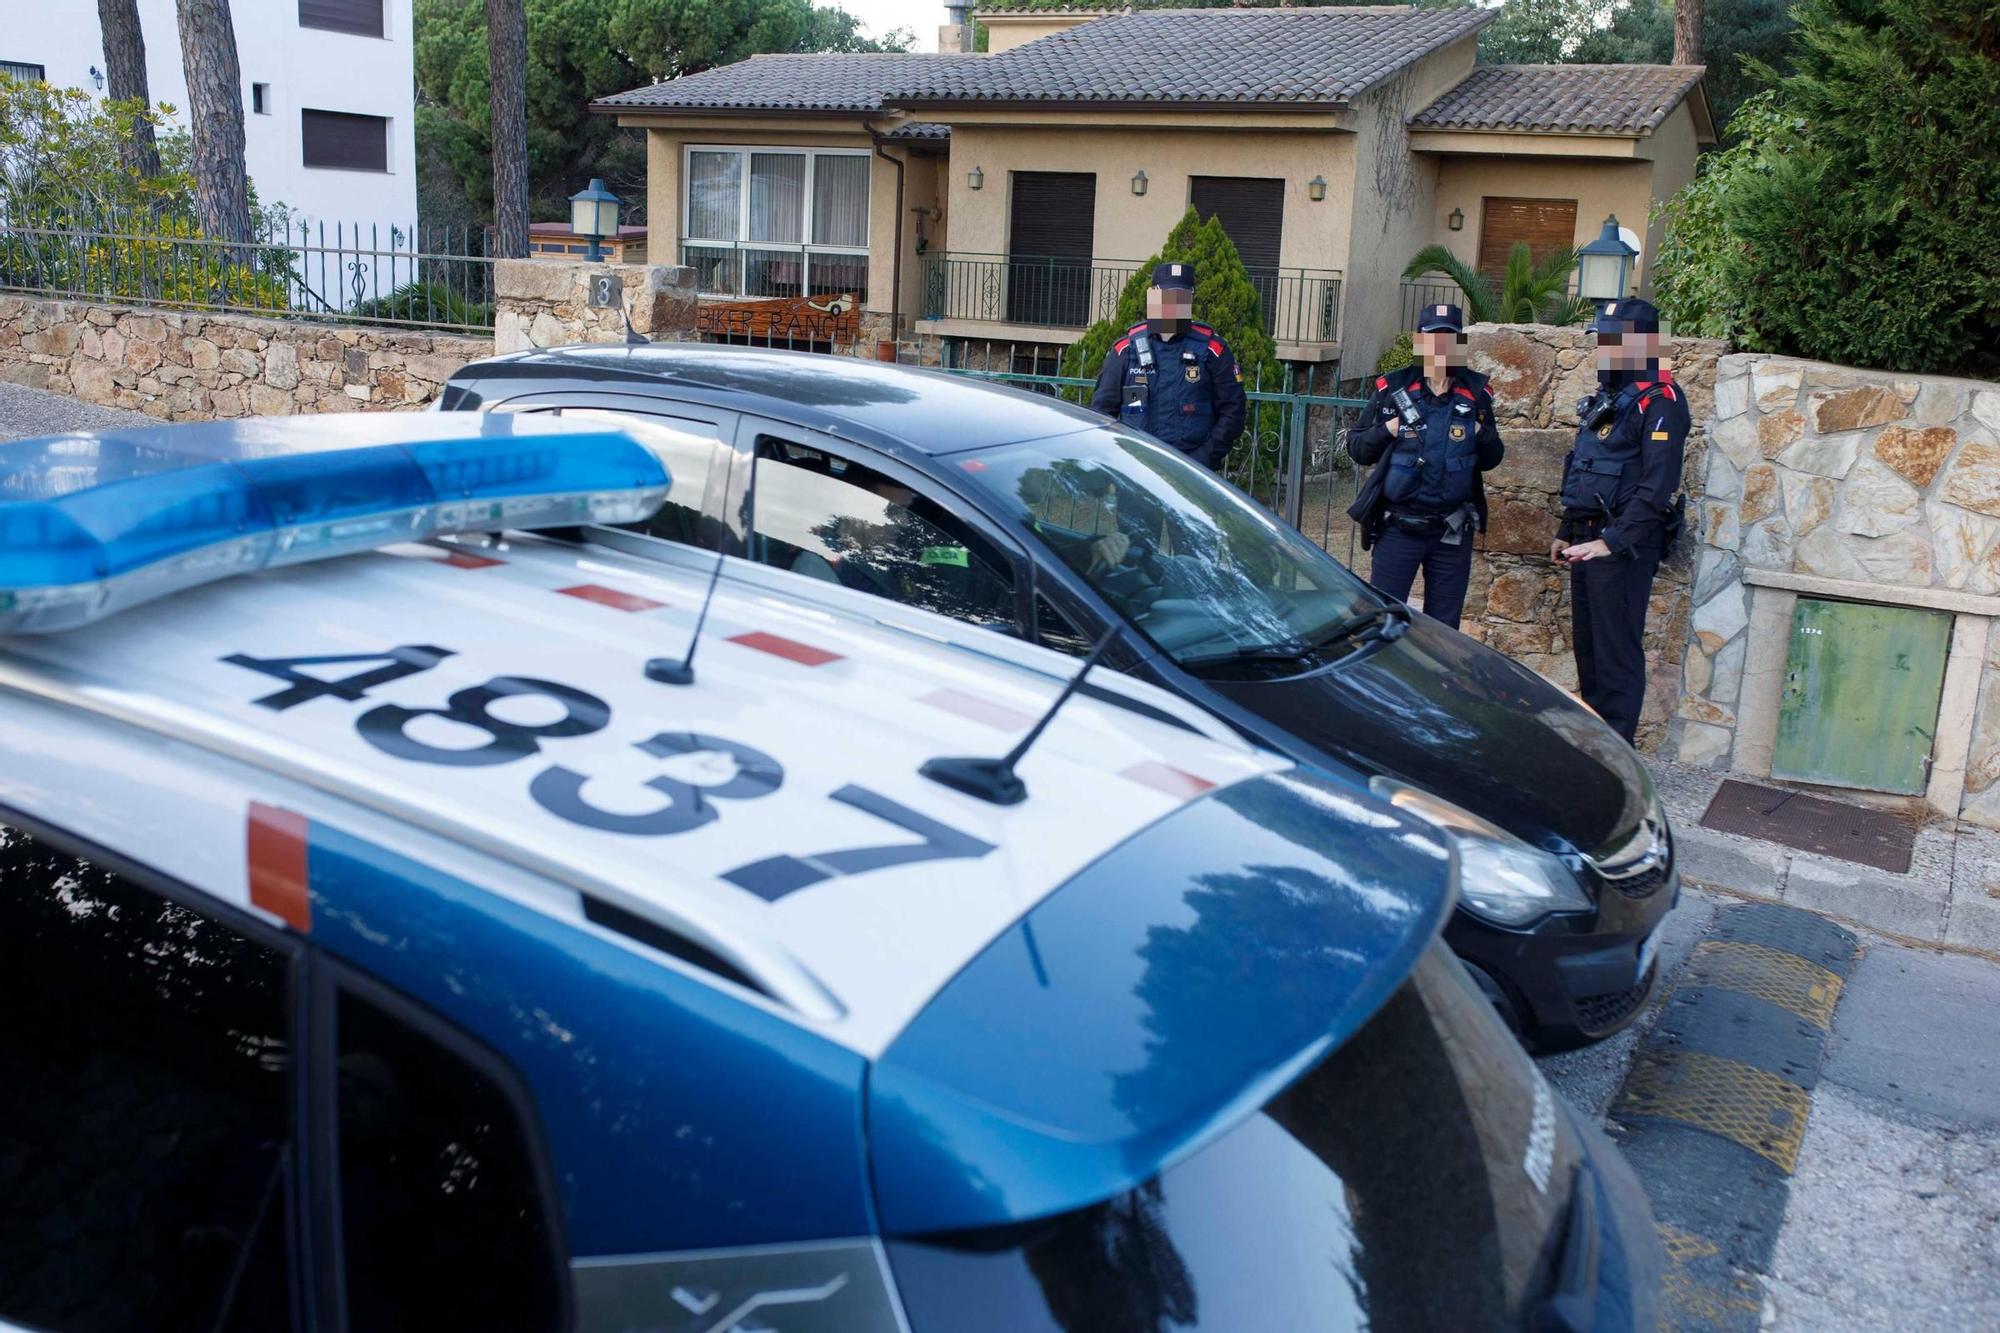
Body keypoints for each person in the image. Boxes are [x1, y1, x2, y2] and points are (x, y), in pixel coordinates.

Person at [1554, 297, 1690, 743]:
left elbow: (1657, 485)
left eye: (1614, 341)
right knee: (1590, 653)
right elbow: (1583, 465)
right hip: (1587, 540)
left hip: (1622, 548)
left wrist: (1611, 541)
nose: (1603, 350)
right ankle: (1598, 750)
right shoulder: (1609, 398)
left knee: (1616, 658)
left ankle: (1619, 758)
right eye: (1602, 341)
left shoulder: (1662, 401)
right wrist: (1566, 530)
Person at [1344, 303, 1504, 630]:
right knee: (1384, 621)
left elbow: (1492, 458)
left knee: (1443, 629)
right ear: (1420, 342)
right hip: (1399, 529)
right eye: (1432, 340)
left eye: (1448, 339)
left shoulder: (1476, 392)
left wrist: (1478, 431)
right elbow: (1357, 448)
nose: (1439, 348)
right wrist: (1388, 429)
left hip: (1451, 532)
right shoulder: (1393, 389)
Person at [1090, 261, 1246, 471]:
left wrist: (1202, 459)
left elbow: (1233, 411)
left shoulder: (1212, 350)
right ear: (1153, 294)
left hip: (1193, 472)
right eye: (1166, 295)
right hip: (1136, 469)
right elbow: (1102, 414)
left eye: (1181, 296)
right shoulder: (1126, 350)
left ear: (1191, 298)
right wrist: (1120, 460)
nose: (1173, 303)